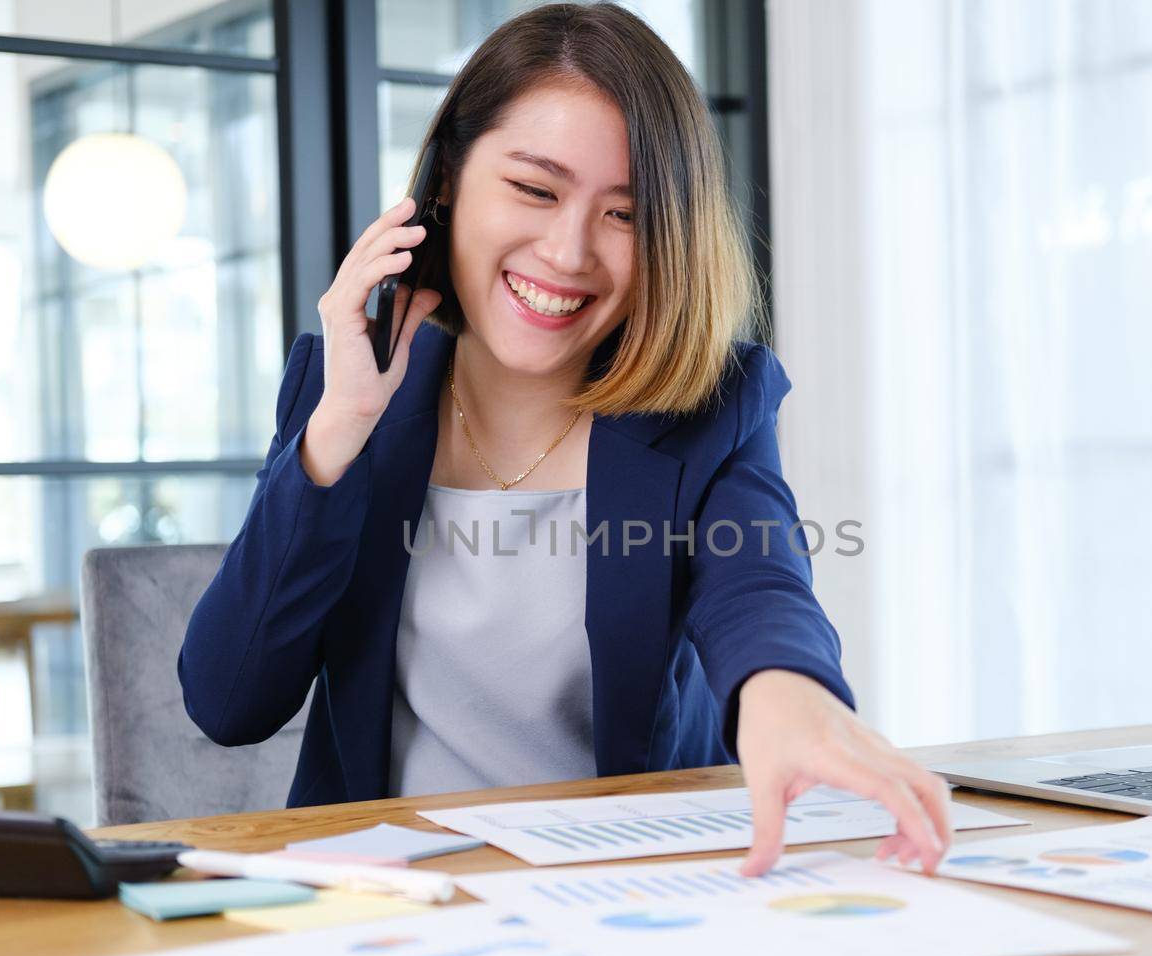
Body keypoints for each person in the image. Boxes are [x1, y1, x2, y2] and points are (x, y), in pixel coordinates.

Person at [179, 2, 950, 876]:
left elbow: (760, 583)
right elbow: (227, 699)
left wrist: (788, 694)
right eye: (534, 189)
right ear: (444, 186)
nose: (569, 250)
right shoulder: (346, 390)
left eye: (626, 214)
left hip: (622, 892)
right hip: (388, 901)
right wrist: (343, 425)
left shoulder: (712, 400)